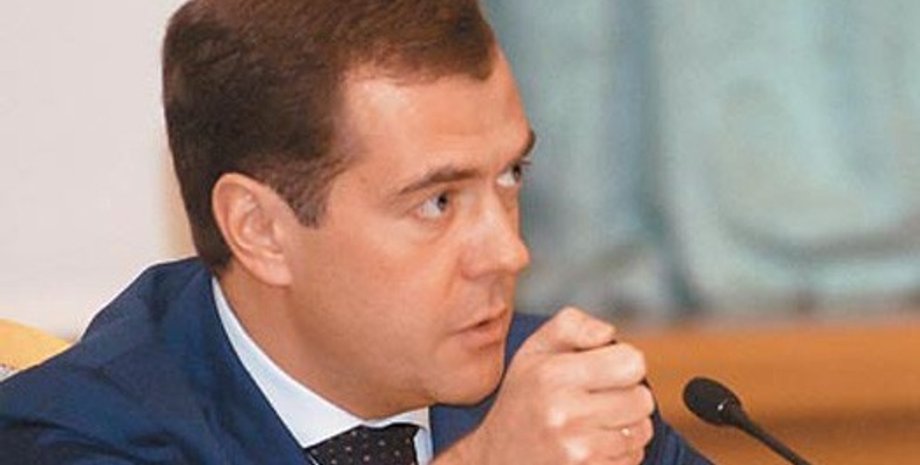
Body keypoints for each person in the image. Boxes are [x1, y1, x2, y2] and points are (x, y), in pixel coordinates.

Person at [0, 1, 711, 464]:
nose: (509, 251)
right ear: (260, 230)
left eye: (510, 175)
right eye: (438, 202)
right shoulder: (76, 432)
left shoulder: (550, 392)